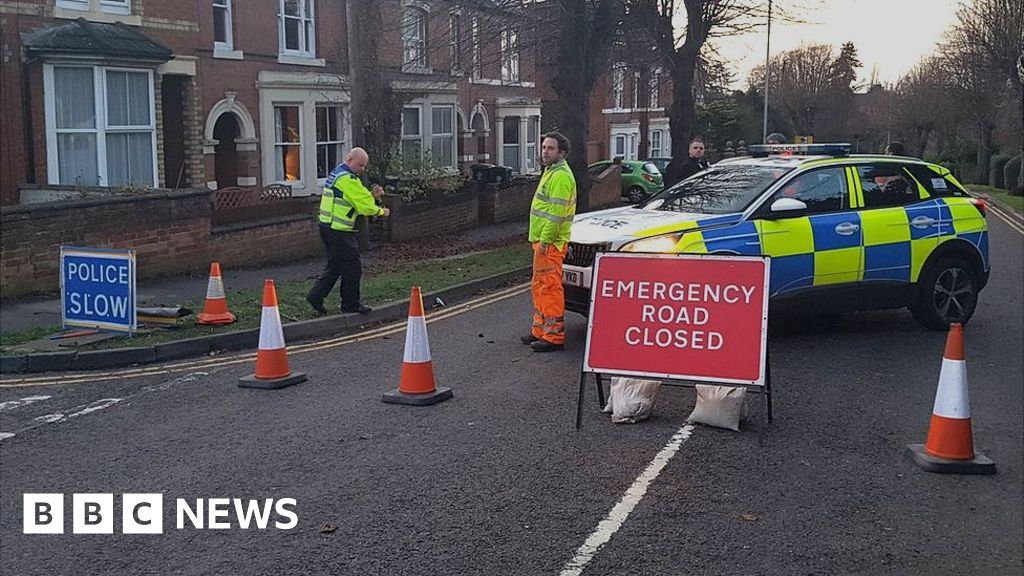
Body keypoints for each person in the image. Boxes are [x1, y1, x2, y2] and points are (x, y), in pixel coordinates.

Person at [306, 147, 390, 316]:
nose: (363, 169)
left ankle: (315, 296)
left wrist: (371, 195)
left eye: (364, 166)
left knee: (336, 265)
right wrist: (382, 211)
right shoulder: (348, 179)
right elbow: (363, 206)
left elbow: (355, 197)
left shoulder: (338, 173)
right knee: (353, 268)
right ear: (350, 160)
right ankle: (350, 304)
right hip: (339, 231)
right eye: (361, 165)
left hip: (328, 227)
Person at [521, 132, 577, 352]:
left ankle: (553, 337)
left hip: (551, 243)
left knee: (550, 287)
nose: (545, 151)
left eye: (550, 148)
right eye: (544, 147)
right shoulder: (551, 172)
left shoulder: (561, 176)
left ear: (561, 153)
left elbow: (556, 213)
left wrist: (545, 240)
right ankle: (540, 330)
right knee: (540, 286)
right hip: (543, 241)